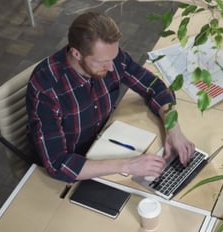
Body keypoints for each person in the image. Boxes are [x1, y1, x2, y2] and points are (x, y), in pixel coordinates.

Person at [26, 12, 195, 183]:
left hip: (106, 142)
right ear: (77, 54)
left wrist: (173, 129)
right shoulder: (47, 88)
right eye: (102, 62)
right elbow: (58, 165)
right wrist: (128, 166)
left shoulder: (111, 58)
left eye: (113, 58)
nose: (112, 67)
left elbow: (155, 87)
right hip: (75, 167)